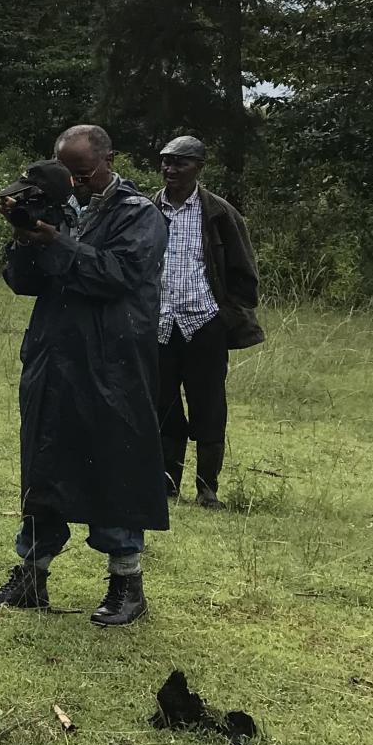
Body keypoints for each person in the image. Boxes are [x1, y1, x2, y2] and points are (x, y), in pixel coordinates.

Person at [0, 124, 169, 627]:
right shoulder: (53, 206)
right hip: (53, 356)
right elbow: (23, 283)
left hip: (113, 361)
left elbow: (119, 275)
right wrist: (24, 237)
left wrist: (58, 244)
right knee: (44, 462)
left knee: (116, 466)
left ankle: (127, 583)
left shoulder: (138, 214)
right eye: (68, 173)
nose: (75, 183)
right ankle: (31, 576)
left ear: (108, 160)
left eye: (83, 173)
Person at [152, 135, 263, 507]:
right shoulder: (148, 209)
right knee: (163, 404)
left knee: (209, 405)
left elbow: (244, 273)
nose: (171, 169)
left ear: (199, 166)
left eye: (180, 163)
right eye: (166, 162)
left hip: (204, 324)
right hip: (160, 324)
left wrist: (224, 316)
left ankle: (207, 488)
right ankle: (168, 484)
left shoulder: (219, 213)